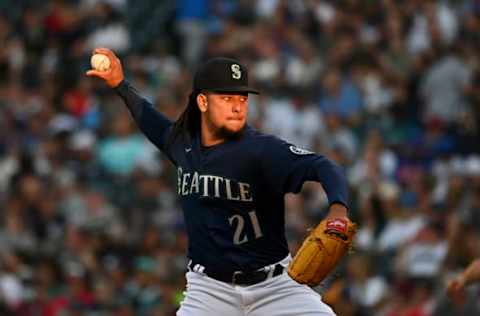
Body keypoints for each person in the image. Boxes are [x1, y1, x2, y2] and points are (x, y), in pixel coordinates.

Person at [86, 47, 352, 316]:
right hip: (209, 291)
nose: (237, 106)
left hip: (275, 288)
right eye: (226, 98)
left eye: (242, 98)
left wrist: (338, 209)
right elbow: (149, 119)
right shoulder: (182, 143)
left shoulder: (262, 150)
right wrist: (120, 84)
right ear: (202, 102)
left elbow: (325, 166)